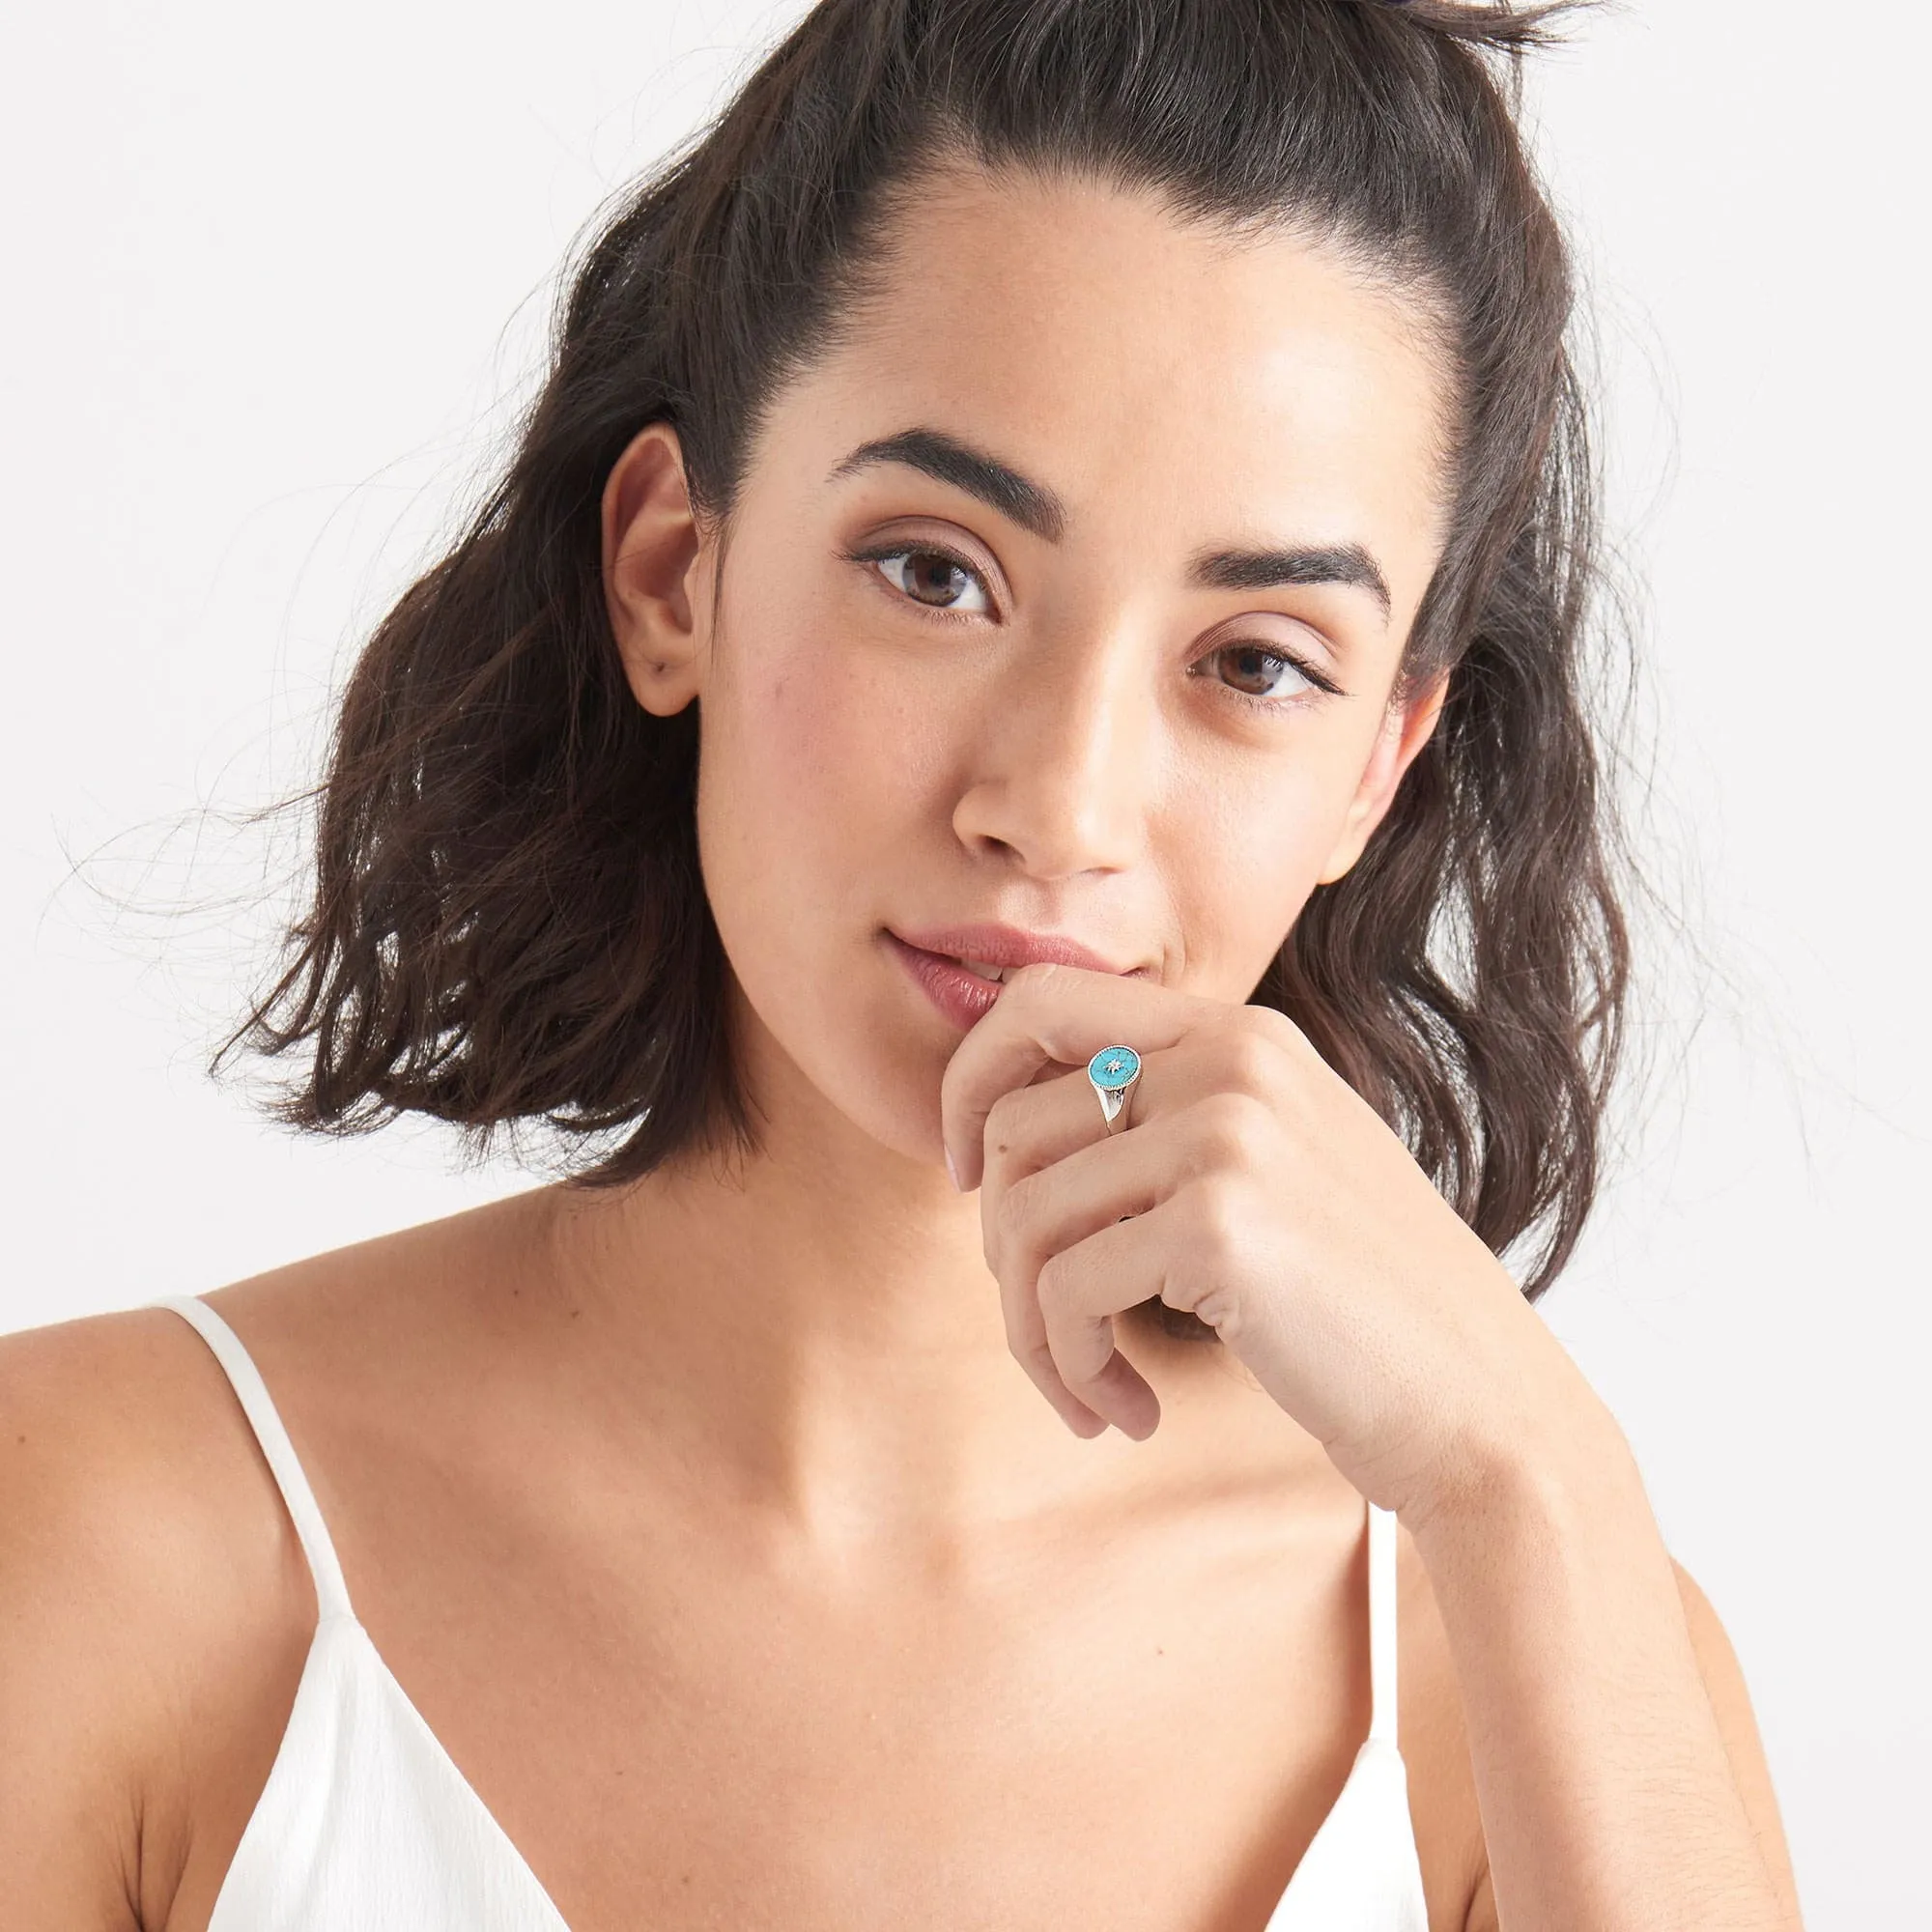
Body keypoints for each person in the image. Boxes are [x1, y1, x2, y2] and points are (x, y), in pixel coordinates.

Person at [0, 1, 1804, 1926]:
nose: (1059, 802)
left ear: (1378, 764)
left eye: (1255, 660)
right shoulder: (109, 1543)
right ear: (672, 571)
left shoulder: (1528, 1648)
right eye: (937, 571)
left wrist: (1534, 1473)